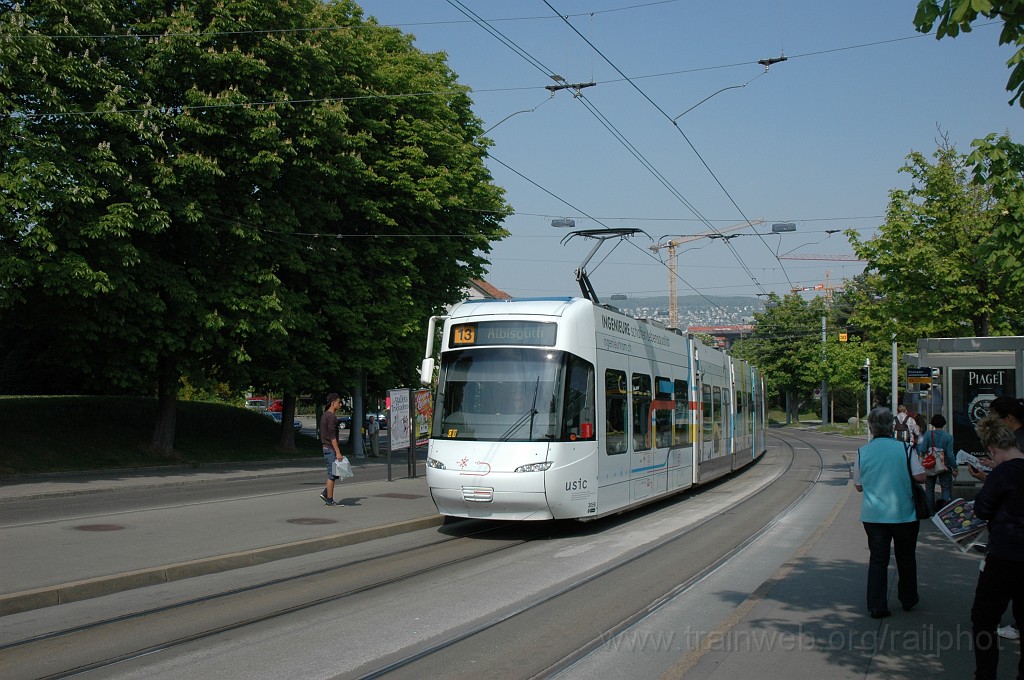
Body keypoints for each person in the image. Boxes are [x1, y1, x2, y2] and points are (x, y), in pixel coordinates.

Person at [853, 406, 926, 618]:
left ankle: (877, 605)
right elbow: (920, 477)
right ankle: (908, 598)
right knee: (906, 557)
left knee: (878, 559)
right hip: (904, 514)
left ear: (870, 427)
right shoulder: (905, 449)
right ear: (892, 426)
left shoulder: (862, 452)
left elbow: (859, 486)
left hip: (874, 515)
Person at [966, 416, 1024, 680]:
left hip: (1004, 556)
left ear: (992, 450)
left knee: (984, 619)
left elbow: (982, 509)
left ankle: (985, 675)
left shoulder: (1002, 472)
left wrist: (985, 481)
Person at [988, 396, 1024, 641]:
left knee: (985, 609)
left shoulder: (1019, 441)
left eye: (998, 419)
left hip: (1013, 533)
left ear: (1009, 418)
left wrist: (991, 479)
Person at [916, 413, 956, 513]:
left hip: (930, 464)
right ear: (944, 424)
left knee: (929, 488)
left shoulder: (928, 434)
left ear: (933, 424)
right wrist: (955, 467)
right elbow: (950, 454)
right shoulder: (948, 437)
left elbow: (922, 449)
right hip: (944, 465)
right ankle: (945, 510)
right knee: (946, 487)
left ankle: (930, 511)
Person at [319, 393, 344, 507]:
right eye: (339, 402)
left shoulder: (324, 415)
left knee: (334, 473)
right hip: (330, 448)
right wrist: (338, 452)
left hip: (326, 447)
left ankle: (325, 493)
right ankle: (329, 501)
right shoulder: (332, 417)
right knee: (331, 475)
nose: (341, 404)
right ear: (333, 403)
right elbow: (332, 436)